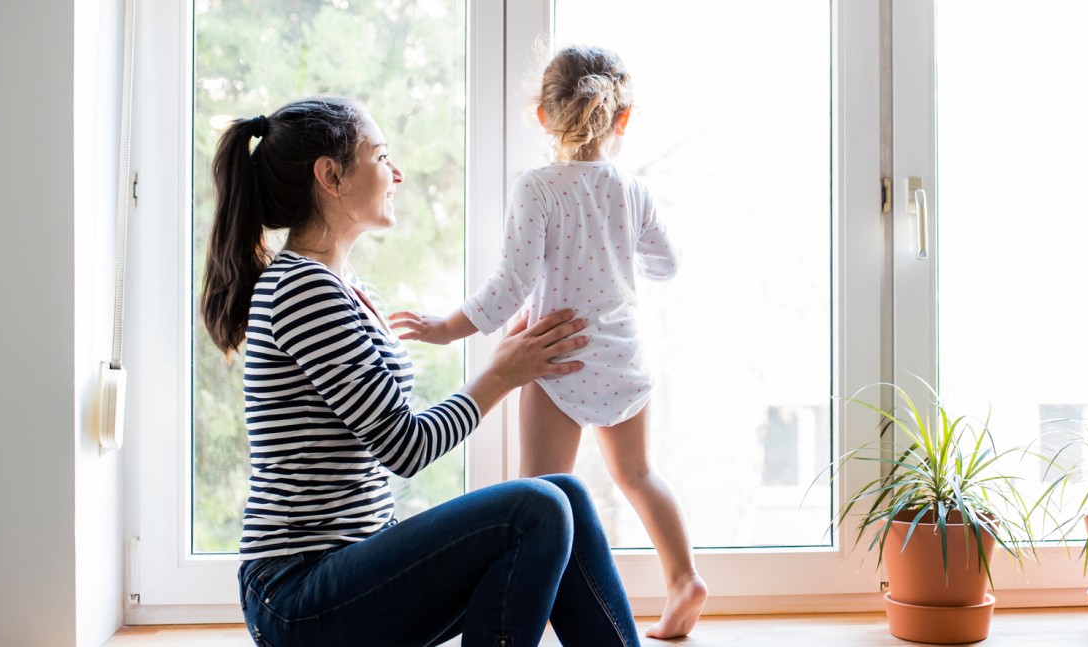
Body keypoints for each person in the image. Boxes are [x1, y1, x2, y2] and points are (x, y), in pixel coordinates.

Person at [199, 96, 640, 647]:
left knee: (563, 494)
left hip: (349, 568)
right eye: (382, 157)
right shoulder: (301, 290)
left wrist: (508, 364)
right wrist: (500, 375)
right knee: (538, 507)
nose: (397, 173)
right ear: (330, 175)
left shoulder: (346, 286)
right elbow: (404, 448)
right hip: (297, 597)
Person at [394, 45, 707, 639]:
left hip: (555, 358)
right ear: (624, 119)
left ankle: (525, 621)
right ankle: (683, 578)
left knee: (538, 500)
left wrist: (443, 328)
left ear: (542, 115)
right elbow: (667, 264)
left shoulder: (536, 189)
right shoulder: (630, 190)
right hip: (623, 357)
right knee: (639, 475)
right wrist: (618, 251)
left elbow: (508, 287)